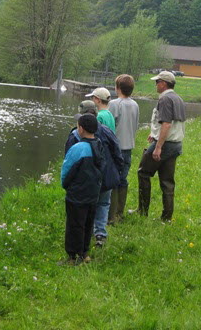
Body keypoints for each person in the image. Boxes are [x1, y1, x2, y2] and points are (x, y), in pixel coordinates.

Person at [65, 101, 123, 248]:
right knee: (103, 204)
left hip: (86, 181)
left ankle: (84, 238)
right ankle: (100, 235)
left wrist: (68, 182)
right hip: (106, 176)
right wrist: (116, 171)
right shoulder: (106, 130)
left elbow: (69, 159)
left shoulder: (75, 135)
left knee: (85, 207)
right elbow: (117, 152)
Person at [136, 70, 186, 222]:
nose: (156, 84)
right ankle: (166, 217)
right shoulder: (178, 98)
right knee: (167, 181)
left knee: (143, 172)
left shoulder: (165, 99)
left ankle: (142, 211)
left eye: (157, 82)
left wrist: (158, 146)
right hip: (176, 144)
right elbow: (174, 123)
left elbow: (166, 123)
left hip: (165, 144)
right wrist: (154, 133)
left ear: (163, 84)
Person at [60, 114, 104, 265]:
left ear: (81, 128)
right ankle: (85, 253)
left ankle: (73, 256)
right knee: (88, 223)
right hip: (93, 193)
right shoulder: (98, 144)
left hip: (77, 194)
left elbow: (67, 170)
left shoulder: (78, 148)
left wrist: (65, 185)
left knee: (74, 224)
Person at [107, 74, 140, 224]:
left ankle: (111, 215)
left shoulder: (114, 104)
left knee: (113, 180)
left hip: (116, 148)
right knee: (123, 179)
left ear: (117, 88)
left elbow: (109, 126)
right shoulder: (135, 105)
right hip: (129, 147)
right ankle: (119, 213)